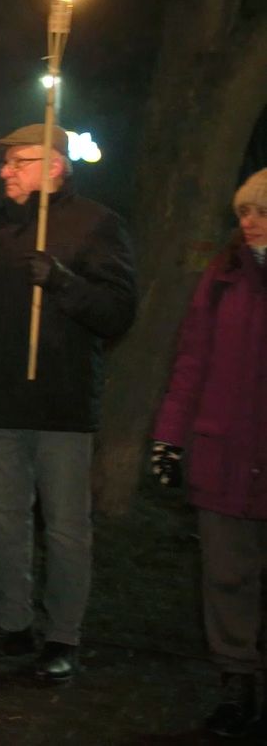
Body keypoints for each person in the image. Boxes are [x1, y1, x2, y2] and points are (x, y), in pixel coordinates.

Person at [0, 124, 136, 683]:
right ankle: (12, 624)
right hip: (0, 402)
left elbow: (117, 313)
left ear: (55, 165)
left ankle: (63, 636)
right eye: (6, 162)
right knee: (4, 519)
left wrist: (62, 283)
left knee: (63, 527)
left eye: (18, 162)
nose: (5, 171)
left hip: (61, 404)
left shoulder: (96, 224)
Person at [150, 167, 267, 739]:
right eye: (243, 211)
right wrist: (170, 436)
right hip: (223, 452)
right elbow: (191, 360)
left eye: (262, 212)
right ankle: (236, 684)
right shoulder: (222, 279)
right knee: (226, 577)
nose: (249, 223)